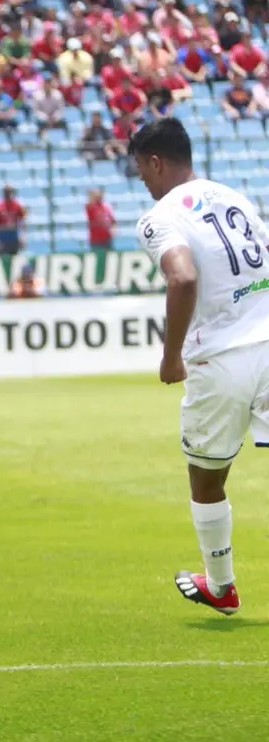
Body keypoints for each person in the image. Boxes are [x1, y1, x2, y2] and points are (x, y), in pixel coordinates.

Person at [130, 117, 269, 616]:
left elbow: (182, 278)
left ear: (155, 161)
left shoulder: (157, 217)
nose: (142, 181)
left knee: (208, 477)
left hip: (220, 356)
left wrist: (171, 356)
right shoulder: (234, 196)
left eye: (140, 170)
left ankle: (222, 585)